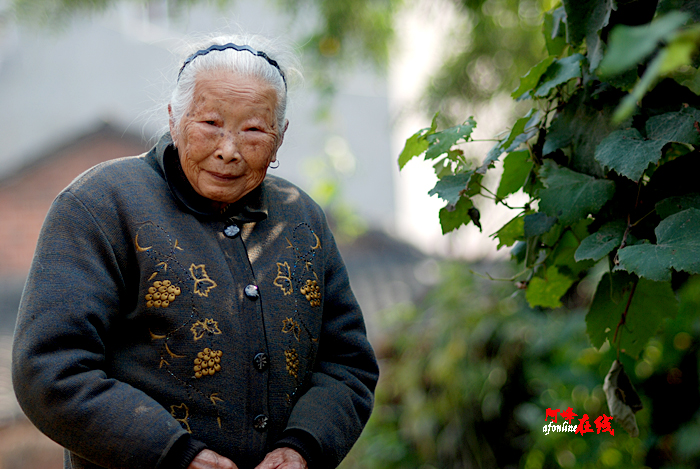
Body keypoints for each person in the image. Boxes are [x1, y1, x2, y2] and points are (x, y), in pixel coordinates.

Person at [12, 34, 378, 469]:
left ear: (281, 137)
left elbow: (347, 364)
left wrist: (301, 449)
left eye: (254, 130)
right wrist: (175, 455)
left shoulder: (302, 220)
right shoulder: (101, 205)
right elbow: (50, 369)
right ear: (173, 119)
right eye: (210, 124)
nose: (228, 150)